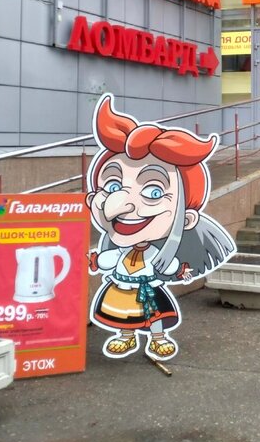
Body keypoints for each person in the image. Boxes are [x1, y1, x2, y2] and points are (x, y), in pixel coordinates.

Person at [85, 94, 236, 362]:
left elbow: (166, 266)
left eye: (154, 191)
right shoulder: (121, 250)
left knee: (155, 315)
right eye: (112, 185)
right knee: (123, 316)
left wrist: (179, 270)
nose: (121, 205)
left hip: (147, 288)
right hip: (122, 287)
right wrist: (96, 261)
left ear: (186, 218)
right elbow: (109, 258)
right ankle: (126, 336)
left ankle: (158, 338)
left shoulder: (155, 255)